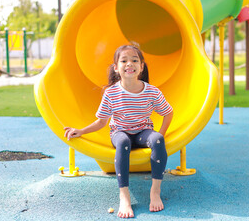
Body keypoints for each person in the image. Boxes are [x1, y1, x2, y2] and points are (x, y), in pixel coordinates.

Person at [64, 45, 174, 218]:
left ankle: (155, 191)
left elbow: (168, 112)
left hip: (142, 132)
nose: (129, 63)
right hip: (119, 132)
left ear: (141, 66)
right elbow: (101, 122)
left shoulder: (152, 92)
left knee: (158, 139)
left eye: (134, 60)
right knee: (123, 142)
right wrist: (81, 131)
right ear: (116, 67)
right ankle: (124, 195)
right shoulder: (111, 93)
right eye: (124, 60)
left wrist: (162, 133)